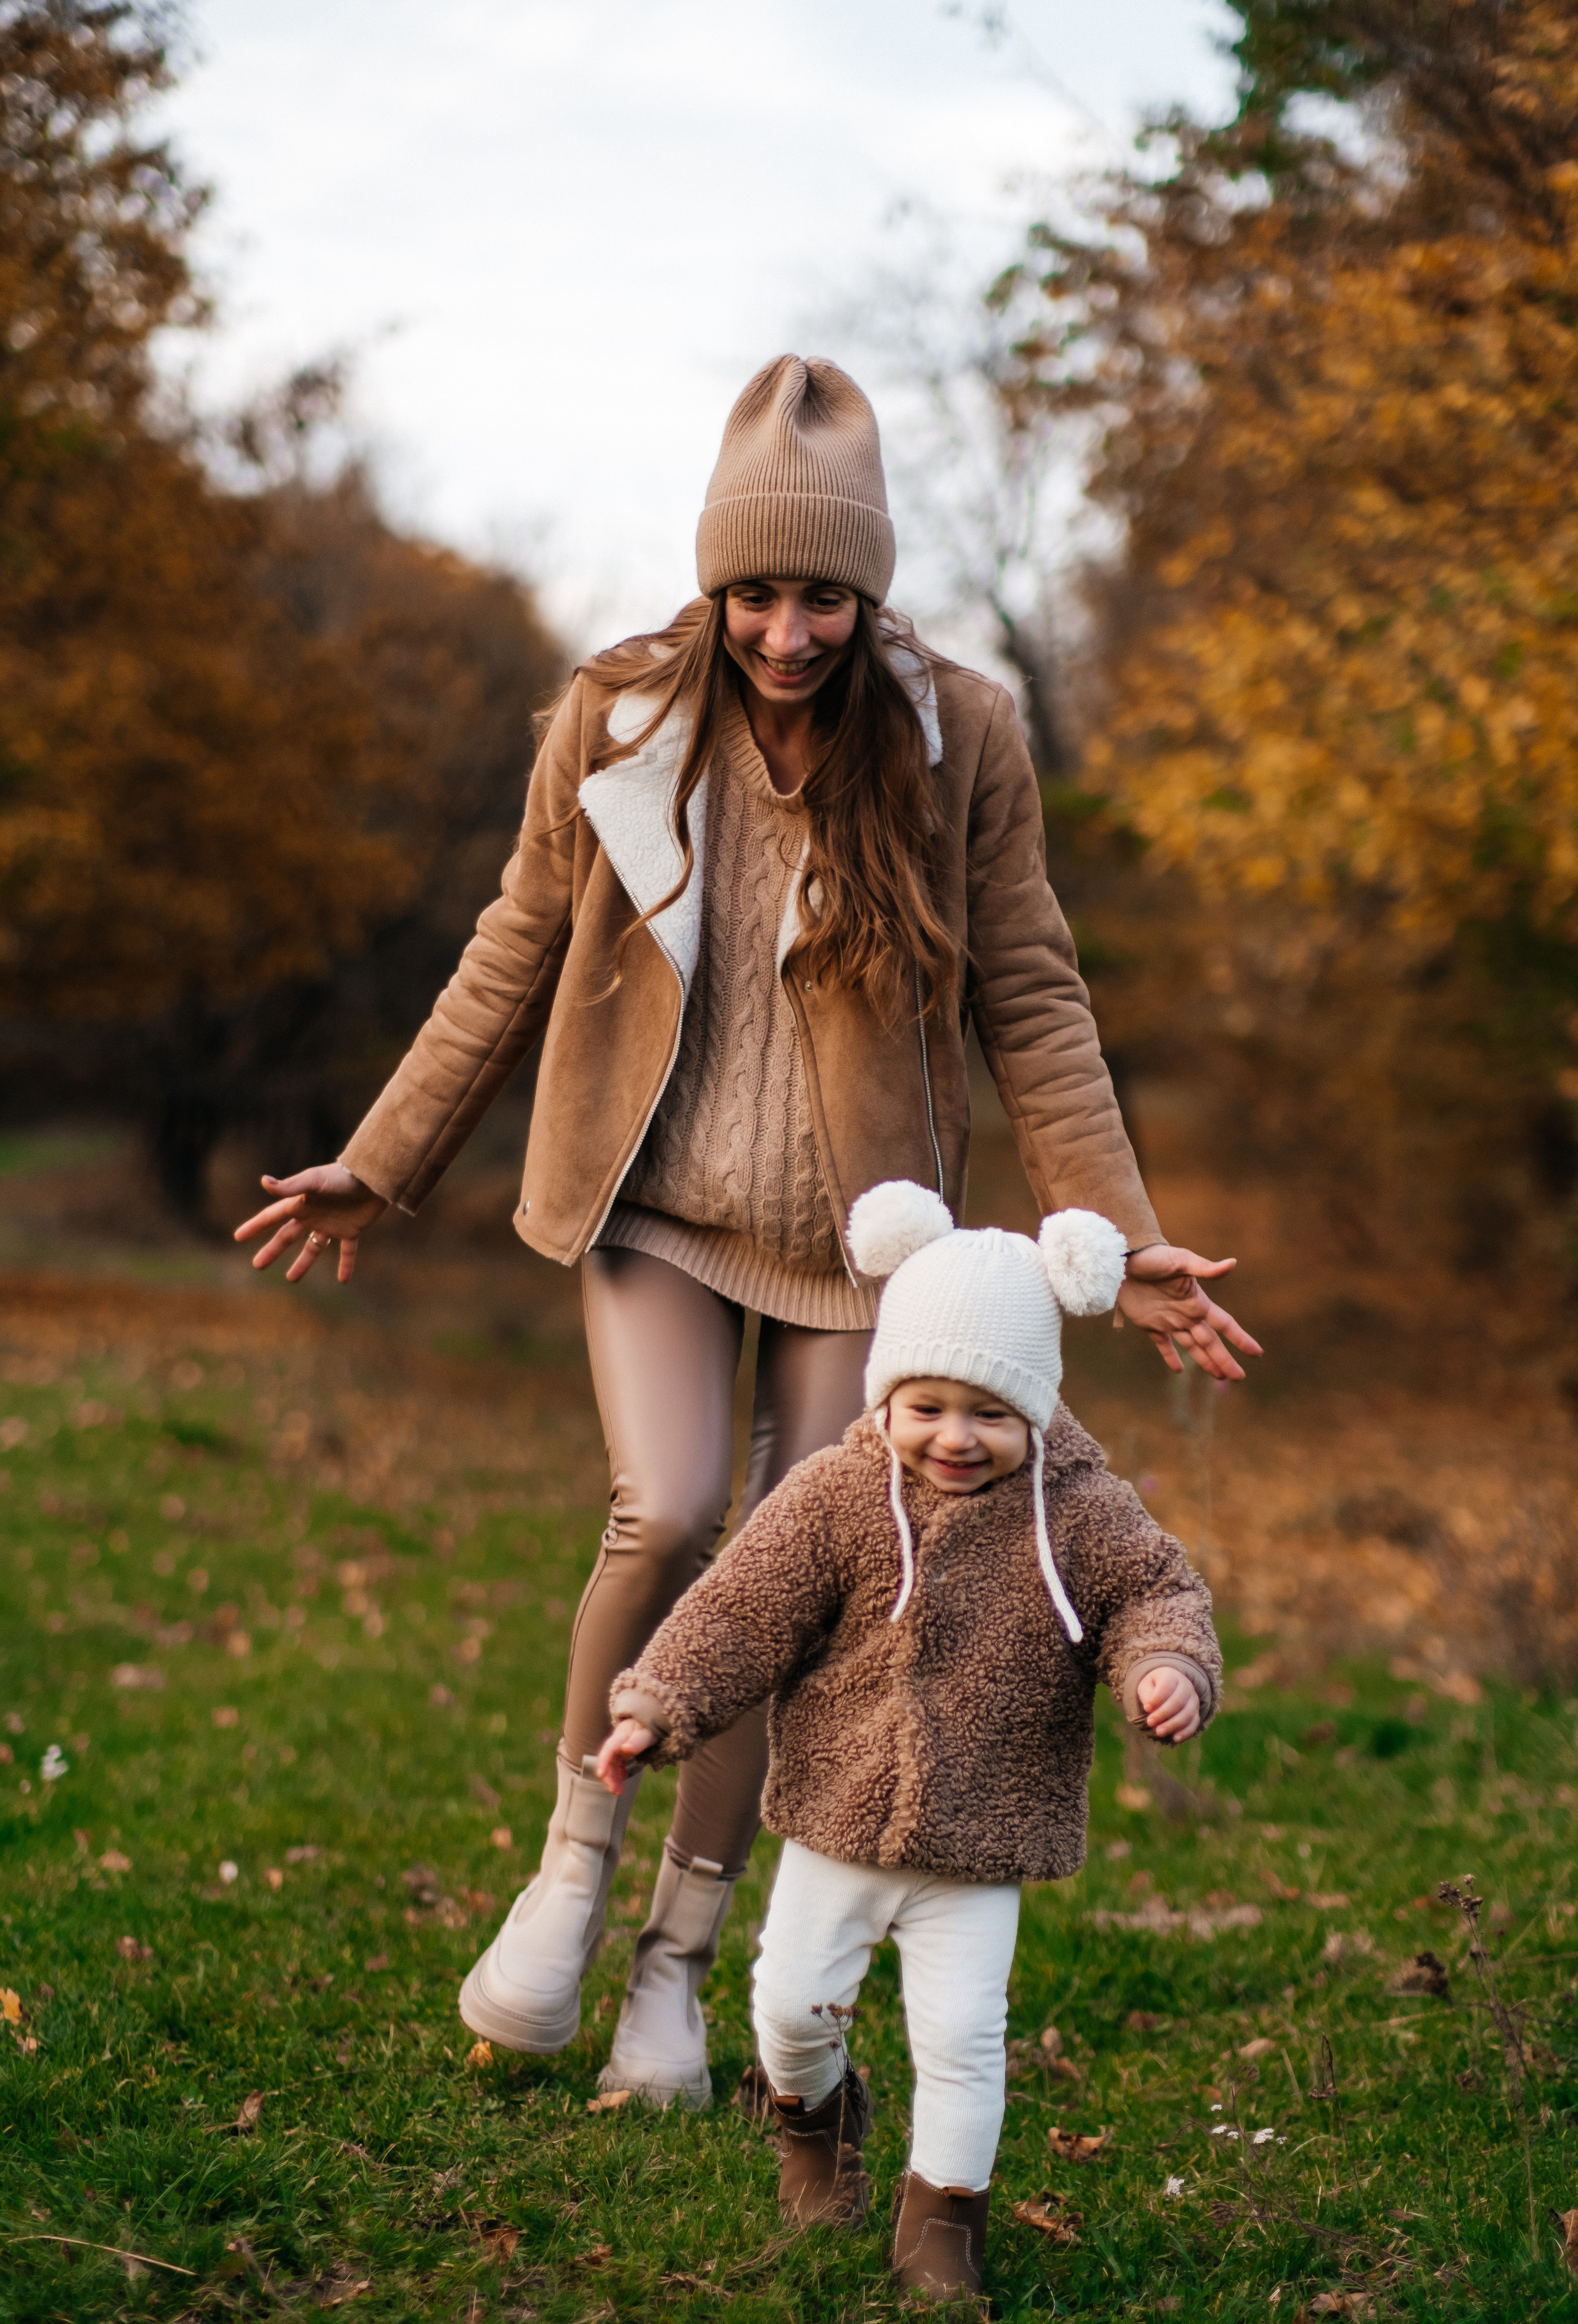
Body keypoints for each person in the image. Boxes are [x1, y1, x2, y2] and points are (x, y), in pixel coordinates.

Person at [234, 354, 1257, 2109]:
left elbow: (1033, 992)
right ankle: (568, 1879)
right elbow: (514, 946)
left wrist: (1118, 1230)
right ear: (715, 581)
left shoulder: (960, 736)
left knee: (795, 1578)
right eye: (760, 592)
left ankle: (678, 1967)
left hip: (872, 1246)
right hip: (651, 1207)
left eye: (827, 596)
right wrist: (382, 1159)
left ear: (873, 589)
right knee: (674, 1509)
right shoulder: (619, 714)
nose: (790, 631)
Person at [595, 1182, 1222, 2302]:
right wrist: (658, 1703)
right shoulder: (833, 1497)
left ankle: (943, 2228)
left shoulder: (1078, 1507)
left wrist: (1165, 1665)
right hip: (838, 1816)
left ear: (1035, 1409)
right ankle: (818, 2120)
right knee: (789, 2008)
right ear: (886, 1394)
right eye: (925, 1406)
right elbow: (741, 1610)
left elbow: (1154, 1591)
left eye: (989, 1413)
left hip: (985, 1833)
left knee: (964, 2042)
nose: (955, 1437)